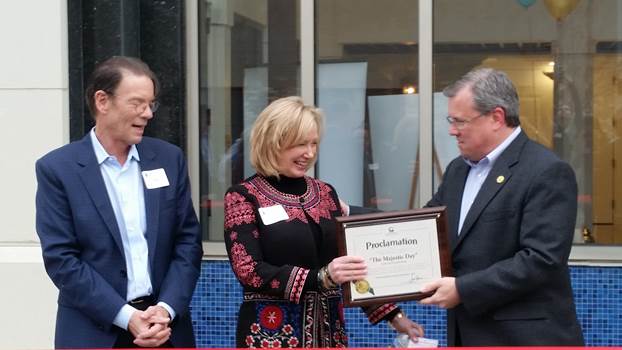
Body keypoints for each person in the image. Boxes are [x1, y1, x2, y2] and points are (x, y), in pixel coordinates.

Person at [223, 96, 423, 347]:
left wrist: (395, 316)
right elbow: (249, 271)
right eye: (300, 144)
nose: (309, 153)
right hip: (272, 333)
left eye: (314, 143)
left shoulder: (325, 193)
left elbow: (349, 263)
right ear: (273, 142)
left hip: (329, 333)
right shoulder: (243, 196)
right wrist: (320, 278)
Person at [35, 56, 203, 348]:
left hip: (165, 329)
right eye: (137, 103)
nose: (148, 113)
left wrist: (165, 309)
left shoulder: (168, 159)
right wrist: (127, 317)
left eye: (151, 104)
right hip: (94, 332)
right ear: (102, 101)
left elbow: (187, 243)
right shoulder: (58, 169)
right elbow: (62, 259)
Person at [418, 68, 584, 346]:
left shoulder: (547, 171)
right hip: (467, 334)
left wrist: (462, 289)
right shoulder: (458, 170)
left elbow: (541, 259)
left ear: (496, 117)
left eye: (460, 121)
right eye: (450, 120)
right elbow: (426, 225)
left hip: (525, 339)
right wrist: (352, 216)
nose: (451, 130)